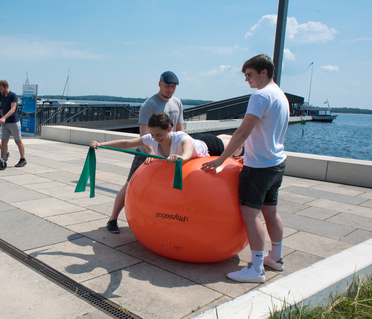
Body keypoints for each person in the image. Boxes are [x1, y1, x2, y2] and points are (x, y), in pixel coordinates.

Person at [202, 54, 289, 283]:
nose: (247, 80)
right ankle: (276, 258)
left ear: (263, 72)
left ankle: (256, 268)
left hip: (259, 167)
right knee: (271, 211)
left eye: (249, 75)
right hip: (277, 163)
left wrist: (221, 159)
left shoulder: (260, 96)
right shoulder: (280, 95)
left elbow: (242, 131)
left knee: (251, 216)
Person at [106, 71, 184, 234]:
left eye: (173, 87)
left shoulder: (177, 103)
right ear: (159, 84)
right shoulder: (149, 105)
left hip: (168, 153)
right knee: (130, 185)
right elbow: (144, 134)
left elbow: (180, 130)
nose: (170, 90)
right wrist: (150, 154)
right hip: (147, 153)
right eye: (167, 86)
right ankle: (113, 218)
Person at [90, 113, 207, 163]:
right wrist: (101, 144)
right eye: (152, 134)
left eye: (159, 135)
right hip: (194, 142)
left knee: (223, 140)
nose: (155, 139)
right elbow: (126, 143)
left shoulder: (182, 138)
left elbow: (188, 151)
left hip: (207, 145)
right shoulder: (152, 139)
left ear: (169, 129)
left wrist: (181, 158)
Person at [0, 80, 26, 167]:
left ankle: (23, 159)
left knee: (18, 141)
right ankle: (2, 160)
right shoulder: (2, 96)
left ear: (6, 87)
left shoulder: (13, 95)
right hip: (5, 124)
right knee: (4, 142)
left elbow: (13, 109)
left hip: (14, 122)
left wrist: (4, 117)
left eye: (0, 89)